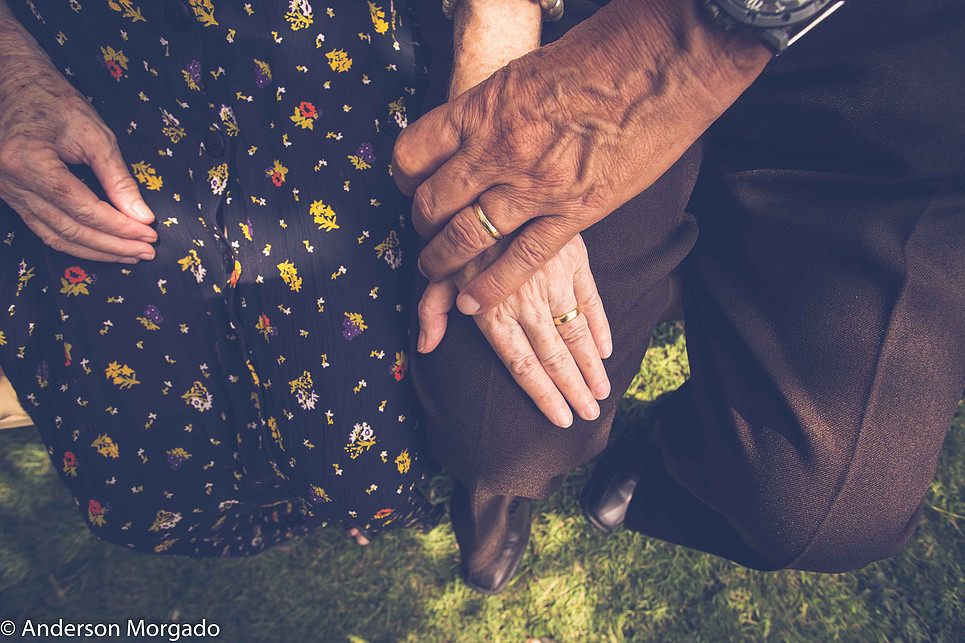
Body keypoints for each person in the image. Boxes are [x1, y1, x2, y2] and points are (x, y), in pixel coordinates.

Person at [401, 0, 965, 593]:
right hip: (607, 24)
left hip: (895, 89)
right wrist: (496, 44)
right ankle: (501, 494)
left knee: (825, 511)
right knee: (500, 432)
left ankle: (677, 454)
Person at [0, 0, 456, 556]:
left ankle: (344, 503)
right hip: (87, 53)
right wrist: (11, 74)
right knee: (149, 489)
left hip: (306, 48)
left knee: (362, 465)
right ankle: (290, 508)